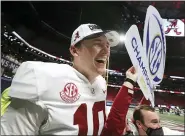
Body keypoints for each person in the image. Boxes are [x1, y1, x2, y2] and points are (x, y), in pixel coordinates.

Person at [1, 23, 138, 135]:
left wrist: (129, 81)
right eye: (98, 44)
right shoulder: (43, 78)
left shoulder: (100, 83)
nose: (106, 50)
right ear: (75, 50)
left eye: (107, 45)